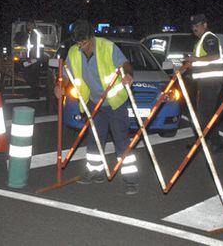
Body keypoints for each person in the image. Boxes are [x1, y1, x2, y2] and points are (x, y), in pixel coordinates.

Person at [54, 19, 139, 195]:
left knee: (121, 141)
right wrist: (59, 84)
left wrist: (128, 75)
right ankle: (95, 172)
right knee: (94, 140)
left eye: (84, 43)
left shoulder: (107, 47)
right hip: (94, 102)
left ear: (91, 37)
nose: (81, 47)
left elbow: (125, 64)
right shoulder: (74, 52)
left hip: (115, 102)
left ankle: (130, 180)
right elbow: (65, 73)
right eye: (78, 43)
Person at [184, 14, 223, 153]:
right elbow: (203, 60)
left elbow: (215, 56)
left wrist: (195, 59)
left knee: (204, 116)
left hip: (211, 82)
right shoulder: (200, 40)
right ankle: (201, 142)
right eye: (193, 26)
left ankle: (215, 143)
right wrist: (192, 64)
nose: (194, 29)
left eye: (197, 25)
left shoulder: (209, 37)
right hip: (204, 82)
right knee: (203, 115)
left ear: (205, 25)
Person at [15, 20, 43, 99]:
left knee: (28, 74)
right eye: (27, 25)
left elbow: (35, 47)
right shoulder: (34, 33)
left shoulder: (34, 33)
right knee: (33, 75)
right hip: (35, 58)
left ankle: (35, 92)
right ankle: (36, 92)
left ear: (32, 25)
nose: (27, 26)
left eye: (29, 24)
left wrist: (31, 59)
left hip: (35, 58)